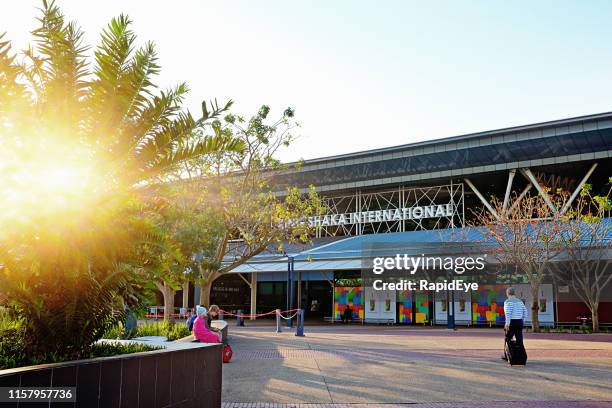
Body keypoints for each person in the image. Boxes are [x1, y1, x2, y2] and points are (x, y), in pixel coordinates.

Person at [503, 286, 528, 359]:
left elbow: (508, 313)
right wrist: (523, 321)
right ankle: (521, 356)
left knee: (507, 339)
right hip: (519, 322)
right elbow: (525, 312)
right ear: (514, 293)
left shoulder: (507, 302)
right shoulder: (520, 301)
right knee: (520, 340)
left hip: (512, 322)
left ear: (507, 294)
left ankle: (508, 355)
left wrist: (507, 324)